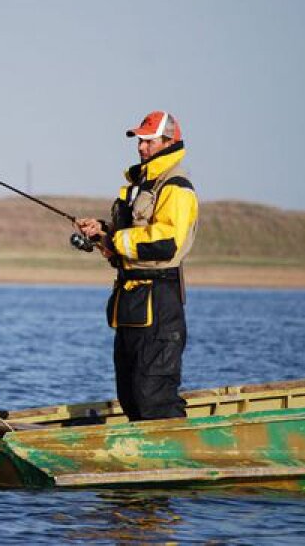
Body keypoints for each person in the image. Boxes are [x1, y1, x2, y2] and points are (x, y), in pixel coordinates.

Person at [77, 111, 198, 421]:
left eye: (149, 141)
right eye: (140, 141)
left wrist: (115, 239)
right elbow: (127, 240)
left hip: (159, 302)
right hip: (131, 304)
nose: (142, 148)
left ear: (169, 142)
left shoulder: (176, 187)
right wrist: (102, 231)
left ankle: (173, 461)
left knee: (154, 398)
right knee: (130, 395)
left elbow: (165, 241)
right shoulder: (140, 187)